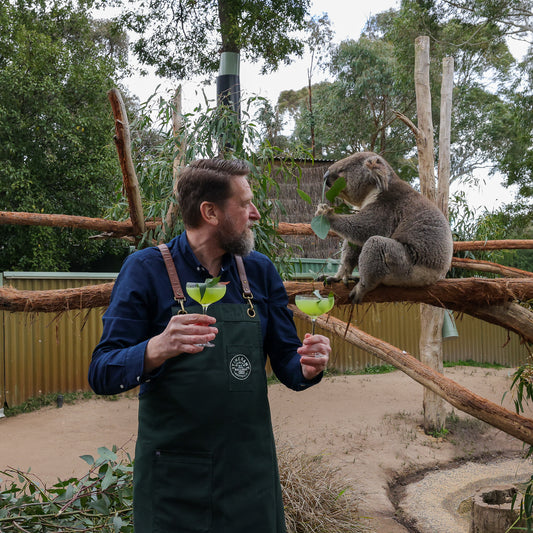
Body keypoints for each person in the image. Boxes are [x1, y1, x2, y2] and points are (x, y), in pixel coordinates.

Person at [88, 158, 331, 533]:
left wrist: (308, 366)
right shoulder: (145, 270)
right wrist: (157, 347)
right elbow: (102, 372)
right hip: (174, 485)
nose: (255, 215)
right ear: (210, 212)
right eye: (245, 203)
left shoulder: (260, 271)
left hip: (250, 479)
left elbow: (287, 361)